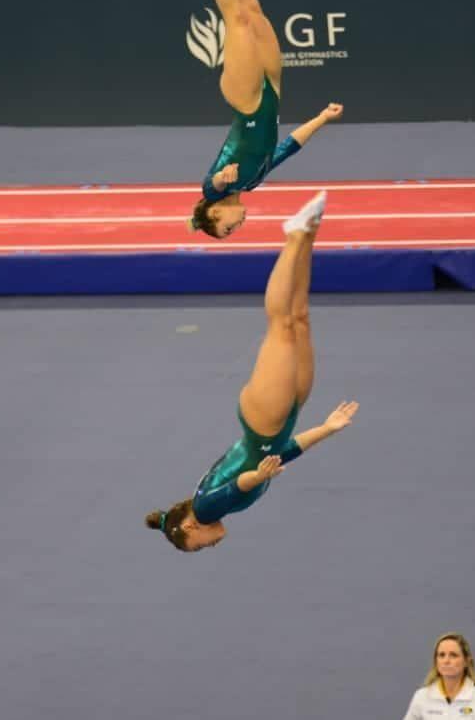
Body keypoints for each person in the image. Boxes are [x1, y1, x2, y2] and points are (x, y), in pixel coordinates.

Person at [148, 190, 360, 551]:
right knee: (299, 319)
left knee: (280, 326)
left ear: (187, 526)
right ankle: (308, 234)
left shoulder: (203, 507)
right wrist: (326, 429)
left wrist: (256, 477)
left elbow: (239, 484)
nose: (210, 544)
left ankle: (294, 235)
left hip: (262, 421)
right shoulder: (216, 506)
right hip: (280, 425)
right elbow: (282, 453)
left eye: (199, 545)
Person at [189, 0, 344, 239]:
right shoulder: (254, 180)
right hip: (272, 92)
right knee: (253, 8)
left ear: (214, 212)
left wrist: (220, 180)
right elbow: (287, 146)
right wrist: (323, 118)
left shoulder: (213, 191)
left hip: (246, 102)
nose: (237, 226)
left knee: (237, 19)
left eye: (228, 228)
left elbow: (211, 184)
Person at [401, 633, 475, 719]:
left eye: (453, 655)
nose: (446, 660)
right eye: (441, 655)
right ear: (436, 661)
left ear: (466, 661)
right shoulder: (422, 696)